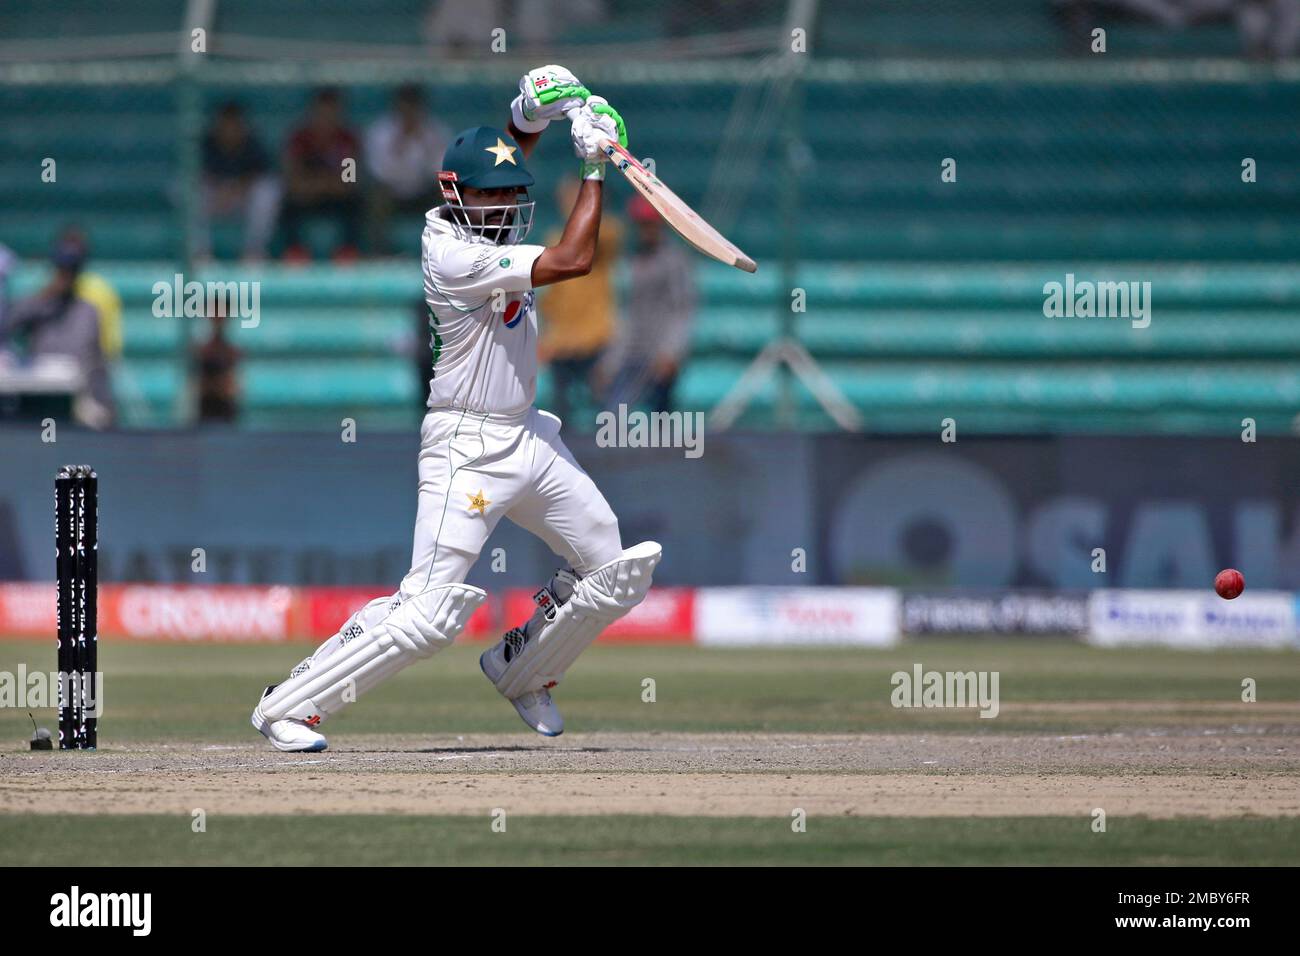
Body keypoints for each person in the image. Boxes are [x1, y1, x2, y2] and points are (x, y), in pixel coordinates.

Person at [251, 65, 662, 753]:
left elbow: (502, 158)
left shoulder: (484, 218)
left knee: (613, 570)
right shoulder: (451, 256)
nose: (504, 204)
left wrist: (531, 113)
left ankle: (522, 668)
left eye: (511, 194)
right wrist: (594, 166)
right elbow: (573, 259)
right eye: (490, 195)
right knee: (428, 614)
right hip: (466, 448)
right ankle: (288, 704)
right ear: (455, 195)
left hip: (527, 436)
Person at [0, 240, 114, 427]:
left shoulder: (89, 312)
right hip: (41, 396)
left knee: (94, 417)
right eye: (62, 269)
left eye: (71, 270)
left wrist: (104, 402)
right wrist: (45, 296)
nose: (66, 276)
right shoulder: (38, 306)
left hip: (79, 395)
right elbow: (7, 325)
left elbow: (98, 362)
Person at [537, 177, 620, 426]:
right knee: (562, 412)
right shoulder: (554, 237)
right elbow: (550, 293)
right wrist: (544, 334)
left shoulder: (605, 234)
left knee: (604, 409)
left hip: (596, 335)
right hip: (561, 339)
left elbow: (602, 235)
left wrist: (593, 187)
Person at [602, 193, 696, 413]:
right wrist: (610, 361)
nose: (645, 230)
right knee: (613, 417)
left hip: (660, 357)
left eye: (650, 224)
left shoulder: (674, 261)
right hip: (632, 355)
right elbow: (626, 313)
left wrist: (671, 351)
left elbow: (682, 309)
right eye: (641, 224)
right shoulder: (632, 260)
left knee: (660, 422)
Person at [279, 88, 363, 262]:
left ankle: (347, 251)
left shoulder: (347, 139)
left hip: (337, 198)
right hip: (306, 197)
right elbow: (294, 181)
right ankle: (294, 251)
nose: (327, 119)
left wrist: (320, 183)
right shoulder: (299, 139)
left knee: (354, 202)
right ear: (313, 113)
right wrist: (322, 183)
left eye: (332, 114)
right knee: (288, 202)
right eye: (322, 113)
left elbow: (349, 182)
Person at [364, 85, 450, 255]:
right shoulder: (381, 131)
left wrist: (425, 146)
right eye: (405, 106)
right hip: (391, 191)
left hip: (423, 189)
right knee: (376, 199)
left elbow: (442, 169)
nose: (409, 112)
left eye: (413, 106)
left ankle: (443, 252)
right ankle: (379, 253)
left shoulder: (434, 131)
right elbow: (378, 171)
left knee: (448, 193)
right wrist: (400, 146)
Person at [196, 102, 281, 262]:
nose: (230, 129)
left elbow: (262, 174)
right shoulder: (207, 143)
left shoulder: (253, 144)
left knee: (268, 190)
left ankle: (253, 252)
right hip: (214, 198)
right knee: (188, 191)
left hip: (243, 198)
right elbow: (198, 173)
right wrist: (221, 190)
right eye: (226, 124)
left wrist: (235, 189)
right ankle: (200, 253)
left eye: (234, 124)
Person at [193, 307, 242, 423]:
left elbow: (233, 389)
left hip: (227, 414)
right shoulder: (200, 351)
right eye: (215, 314)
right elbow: (197, 387)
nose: (218, 318)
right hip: (204, 413)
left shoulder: (232, 351)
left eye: (221, 315)